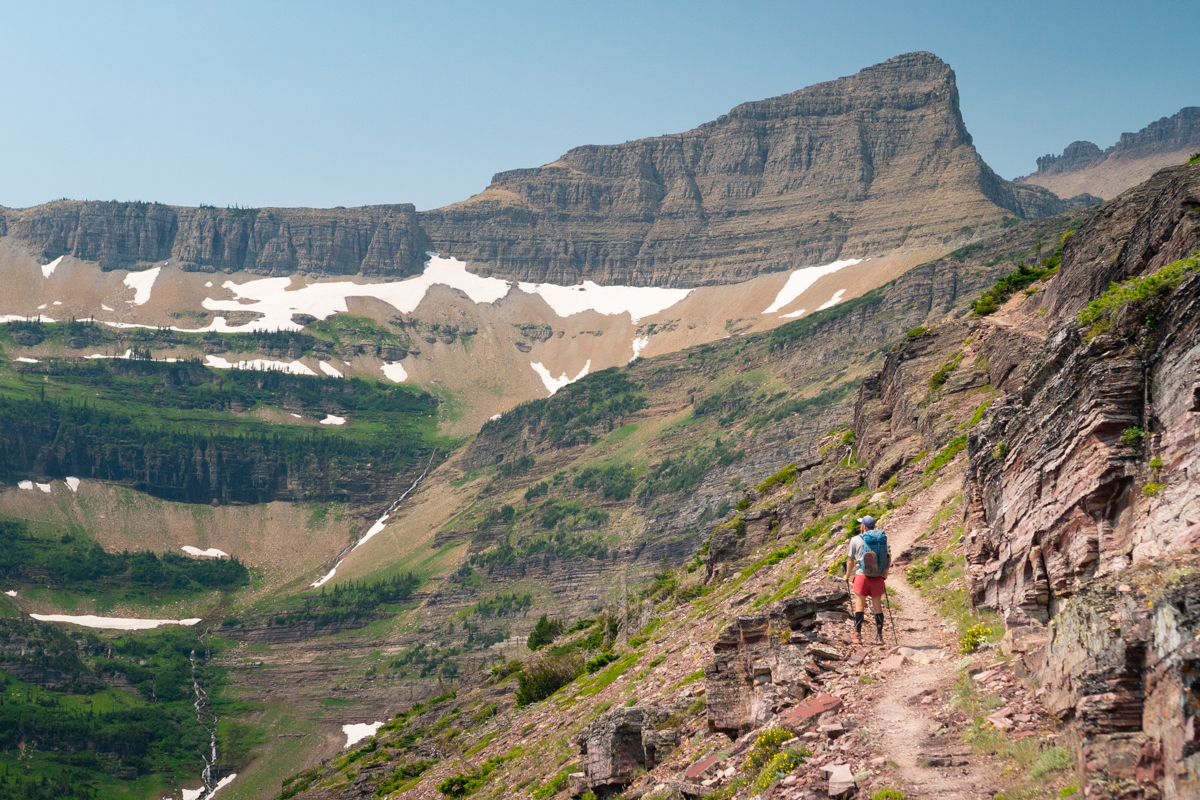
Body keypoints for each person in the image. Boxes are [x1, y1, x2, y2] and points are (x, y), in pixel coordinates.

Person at [844, 515, 889, 645]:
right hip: (877, 577)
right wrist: (885, 574)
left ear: (863, 526)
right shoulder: (882, 539)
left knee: (859, 605)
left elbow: (850, 560)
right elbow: (887, 558)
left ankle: (857, 635)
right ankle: (879, 637)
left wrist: (847, 575)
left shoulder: (855, 539)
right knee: (878, 607)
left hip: (862, 576)